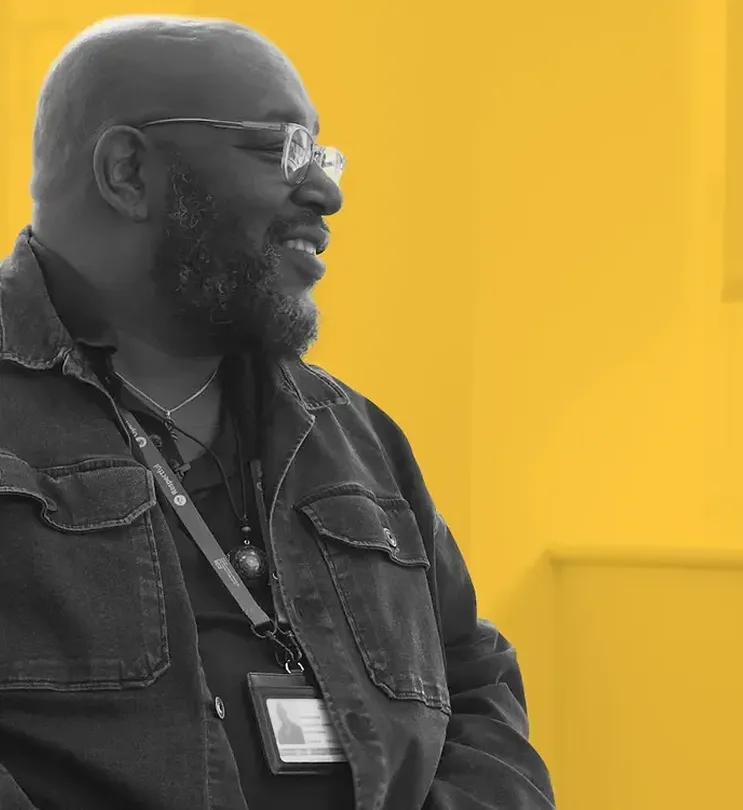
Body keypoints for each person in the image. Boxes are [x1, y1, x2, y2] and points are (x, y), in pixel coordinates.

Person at [0, 14, 555, 810]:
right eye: (283, 149)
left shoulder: (357, 437)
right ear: (129, 172)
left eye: (323, 155)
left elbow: (474, 683)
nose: (327, 192)